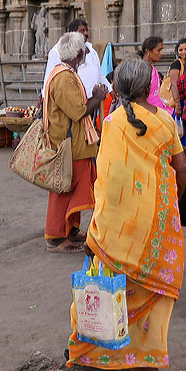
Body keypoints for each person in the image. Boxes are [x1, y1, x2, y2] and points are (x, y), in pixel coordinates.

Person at [67, 56, 186, 371]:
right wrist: (172, 202)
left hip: (118, 226)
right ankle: (148, 363)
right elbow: (182, 168)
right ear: (149, 85)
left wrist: (97, 225)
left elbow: (106, 179)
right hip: (158, 223)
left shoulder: (112, 122)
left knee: (116, 286)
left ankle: (107, 354)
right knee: (151, 292)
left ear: (118, 88)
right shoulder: (165, 120)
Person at [44, 32, 107, 252]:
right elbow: (78, 112)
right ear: (77, 53)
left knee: (73, 187)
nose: (87, 52)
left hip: (76, 143)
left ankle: (69, 231)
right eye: (84, 49)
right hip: (69, 144)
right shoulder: (63, 78)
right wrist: (97, 98)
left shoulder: (67, 74)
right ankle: (55, 237)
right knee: (64, 189)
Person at [43, 19, 110, 98]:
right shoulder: (57, 51)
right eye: (82, 31)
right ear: (72, 33)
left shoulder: (91, 50)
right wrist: (44, 97)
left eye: (86, 30)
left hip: (92, 102)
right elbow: (49, 77)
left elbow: (99, 74)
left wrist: (110, 89)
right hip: (73, 101)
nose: (86, 33)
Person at [161, 38, 186, 112]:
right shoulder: (177, 64)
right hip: (178, 101)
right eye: (180, 50)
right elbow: (174, 84)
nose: (184, 52)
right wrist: (177, 104)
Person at [139, 36, 170, 113]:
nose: (161, 53)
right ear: (148, 51)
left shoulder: (151, 68)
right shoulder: (141, 69)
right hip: (146, 110)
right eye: (158, 50)